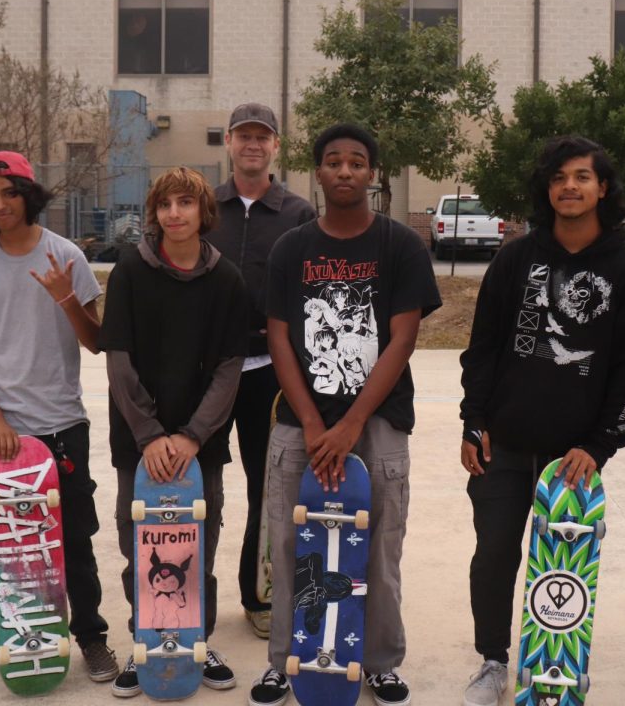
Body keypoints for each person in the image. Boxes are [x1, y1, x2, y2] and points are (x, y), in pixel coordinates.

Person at [458, 137, 625, 706]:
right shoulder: (517, 258)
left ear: (602, 188)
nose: (569, 186)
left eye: (582, 177)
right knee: (493, 554)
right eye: (559, 178)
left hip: (573, 456)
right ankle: (494, 662)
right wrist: (474, 421)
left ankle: (554, 665)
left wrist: (600, 445)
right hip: (503, 445)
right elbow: (484, 347)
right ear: (547, 190)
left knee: (564, 565)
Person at [250, 123, 442, 706]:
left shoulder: (399, 245)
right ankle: (288, 659)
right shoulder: (293, 248)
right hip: (298, 422)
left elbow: (402, 340)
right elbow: (280, 339)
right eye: (333, 162)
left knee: (381, 548)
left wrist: (354, 422)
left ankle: (380, 661)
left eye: (357, 162)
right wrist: (311, 423)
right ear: (319, 171)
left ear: (372, 174)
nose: (345, 171)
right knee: (288, 547)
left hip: (378, 422)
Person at [0, 151, 118, 685]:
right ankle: (7, 635)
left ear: (28, 194)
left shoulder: (66, 255)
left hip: (62, 424)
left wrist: (68, 300)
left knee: (73, 537)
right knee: (6, 541)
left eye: (9, 193)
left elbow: (95, 343)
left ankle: (90, 636)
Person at [97, 166, 249, 697]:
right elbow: (118, 359)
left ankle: (195, 644)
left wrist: (191, 436)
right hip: (138, 445)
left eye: (186, 203)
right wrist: (150, 435)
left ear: (204, 213)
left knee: (196, 545)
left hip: (199, 447)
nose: (175, 214)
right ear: (154, 212)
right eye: (166, 205)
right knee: (139, 541)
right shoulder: (131, 272)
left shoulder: (226, 278)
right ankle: (145, 642)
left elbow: (230, 367)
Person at [211, 103, 315, 638]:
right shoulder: (204, 207)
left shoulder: (298, 214)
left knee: (267, 486)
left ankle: (258, 595)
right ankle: (190, 601)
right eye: (243, 136)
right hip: (208, 369)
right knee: (198, 486)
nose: (253, 144)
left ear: (276, 146)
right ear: (228, 142)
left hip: (270, 371)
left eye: (263, 137)